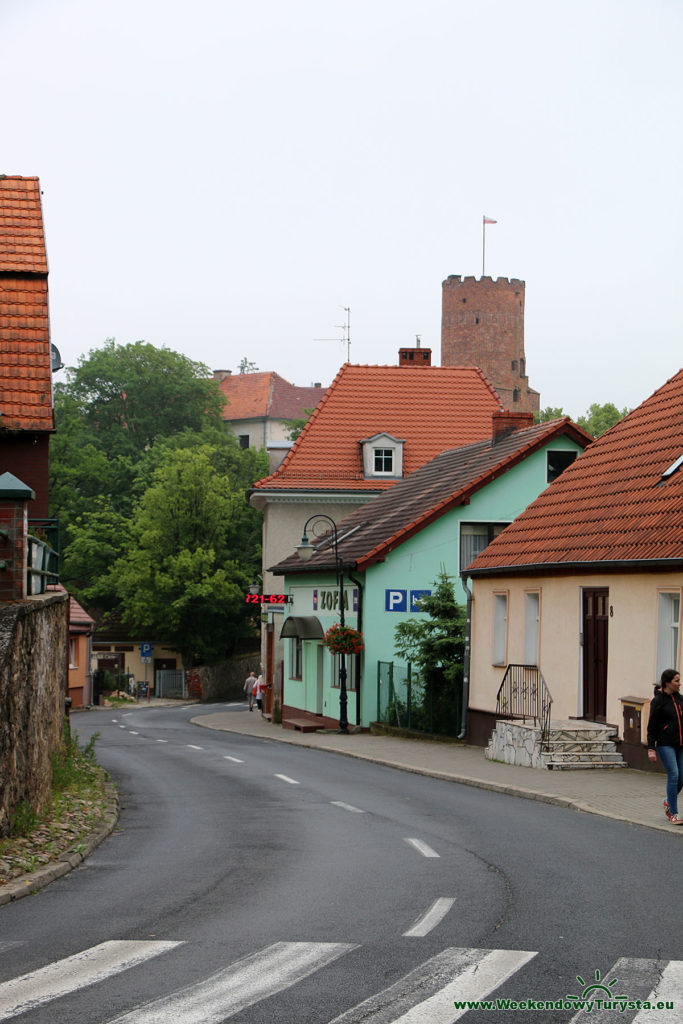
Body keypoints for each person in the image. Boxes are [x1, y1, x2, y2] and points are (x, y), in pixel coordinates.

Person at [647, 668, 683, 825]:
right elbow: (652, 726)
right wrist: (651, 748)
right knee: (674, 775)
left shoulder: (680, 699)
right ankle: (673, 813)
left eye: (679, 680)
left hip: (681, 744)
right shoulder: (658, 701)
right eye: (676, 681)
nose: (679, 684)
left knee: (682, 777)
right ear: (667, 683)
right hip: (665, 744)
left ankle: (669, 799)